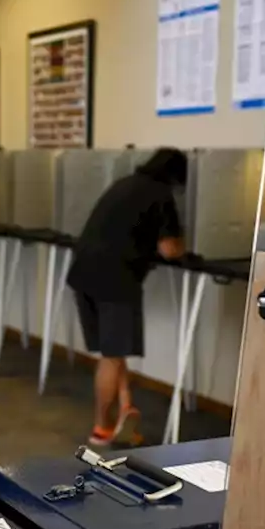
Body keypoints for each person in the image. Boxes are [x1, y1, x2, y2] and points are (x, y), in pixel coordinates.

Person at [65, 148, 188, 447]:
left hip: (83, 273)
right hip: (116, 279)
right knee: (111, 355)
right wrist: (184, 246)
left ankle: (125, 408)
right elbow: (169, 249)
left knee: (113, 351)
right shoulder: (161, 195)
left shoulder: (124, 184)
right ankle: (101, 428)